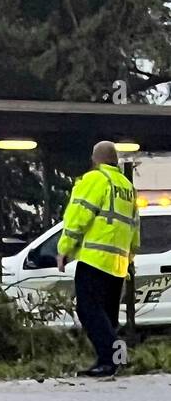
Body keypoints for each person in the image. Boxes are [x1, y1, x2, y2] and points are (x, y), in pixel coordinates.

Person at [56, 140, 139, 377]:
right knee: (108, 315)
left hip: (95, 259)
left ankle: (109, 361)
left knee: (89, 310)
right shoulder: (126, 186)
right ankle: (115, 359)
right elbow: (135, 226)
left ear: (95, 160)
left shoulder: (95, 179)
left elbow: (78, 215)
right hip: (118, 263)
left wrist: (64, 249)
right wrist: (130, 256)